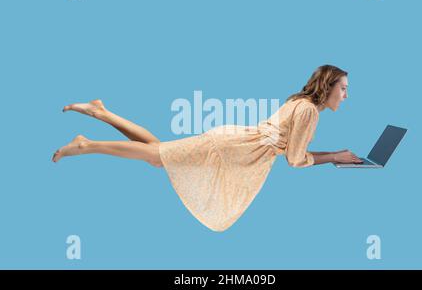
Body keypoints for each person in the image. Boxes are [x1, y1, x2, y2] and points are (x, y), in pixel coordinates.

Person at [52, 64, 362, 232]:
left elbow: (288, 150)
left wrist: (334, 155)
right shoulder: (309, 111)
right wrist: (336, 156)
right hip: (233, 149)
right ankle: (86, 144)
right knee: (157, 157)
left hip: (235, 143)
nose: (346, 95)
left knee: (159, 152)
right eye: (343, 88)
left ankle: (101, 112)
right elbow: (294, 160)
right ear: (329, 86)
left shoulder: (300, 102)